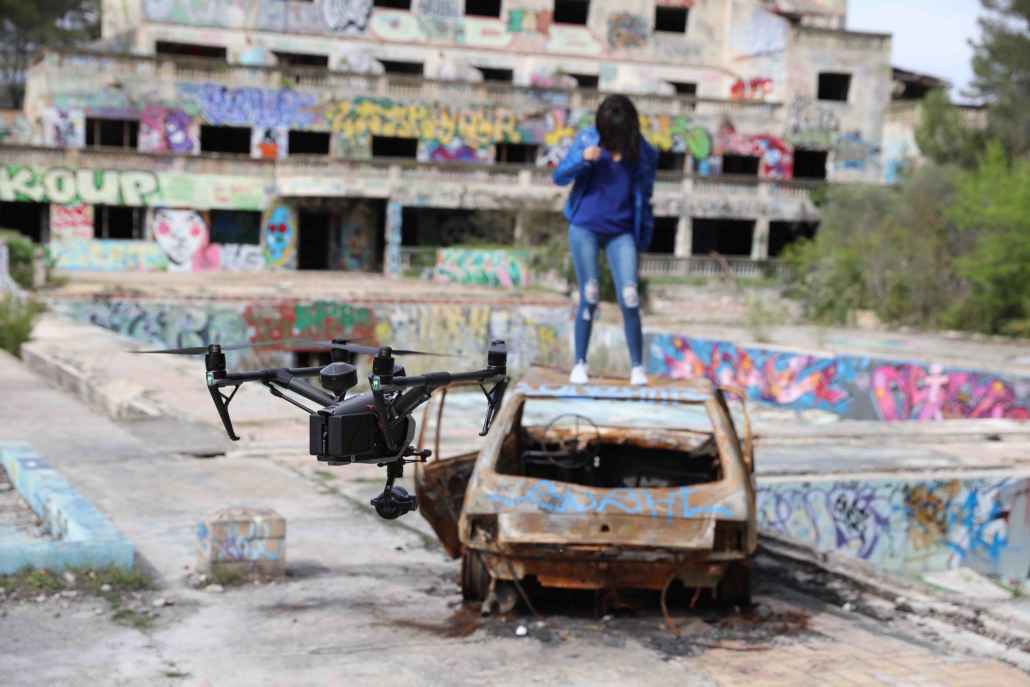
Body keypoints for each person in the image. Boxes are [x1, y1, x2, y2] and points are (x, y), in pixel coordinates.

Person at [552, 94, 658, 386]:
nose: (612, 137)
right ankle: (580, 364)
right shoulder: (588, 139)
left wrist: (642, 242)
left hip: (621, 232)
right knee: (589, 294)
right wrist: (581, 160)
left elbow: (645, 200)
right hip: (584, 228)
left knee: (630, 296)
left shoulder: (643, 152)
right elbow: (559, 177)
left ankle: (637, 368)